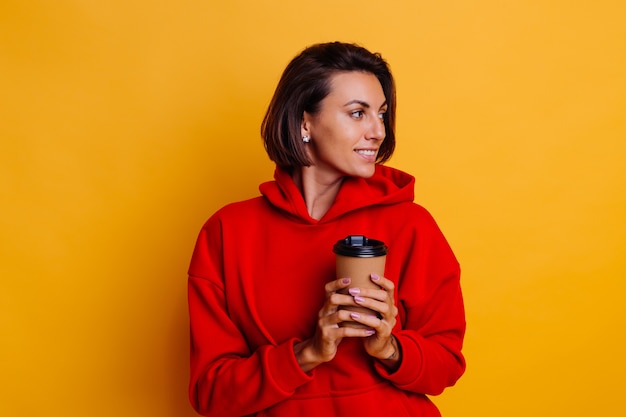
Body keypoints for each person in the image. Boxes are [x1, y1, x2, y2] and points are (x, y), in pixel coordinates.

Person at [187, 41, 466, 417]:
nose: (377, 132)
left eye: (381, 114)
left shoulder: (411, 225)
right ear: (305, 122)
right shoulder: (227, 232)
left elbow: (446, 364)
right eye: (357, 113)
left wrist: (390, 347)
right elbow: (212, 394)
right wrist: (308, 353)